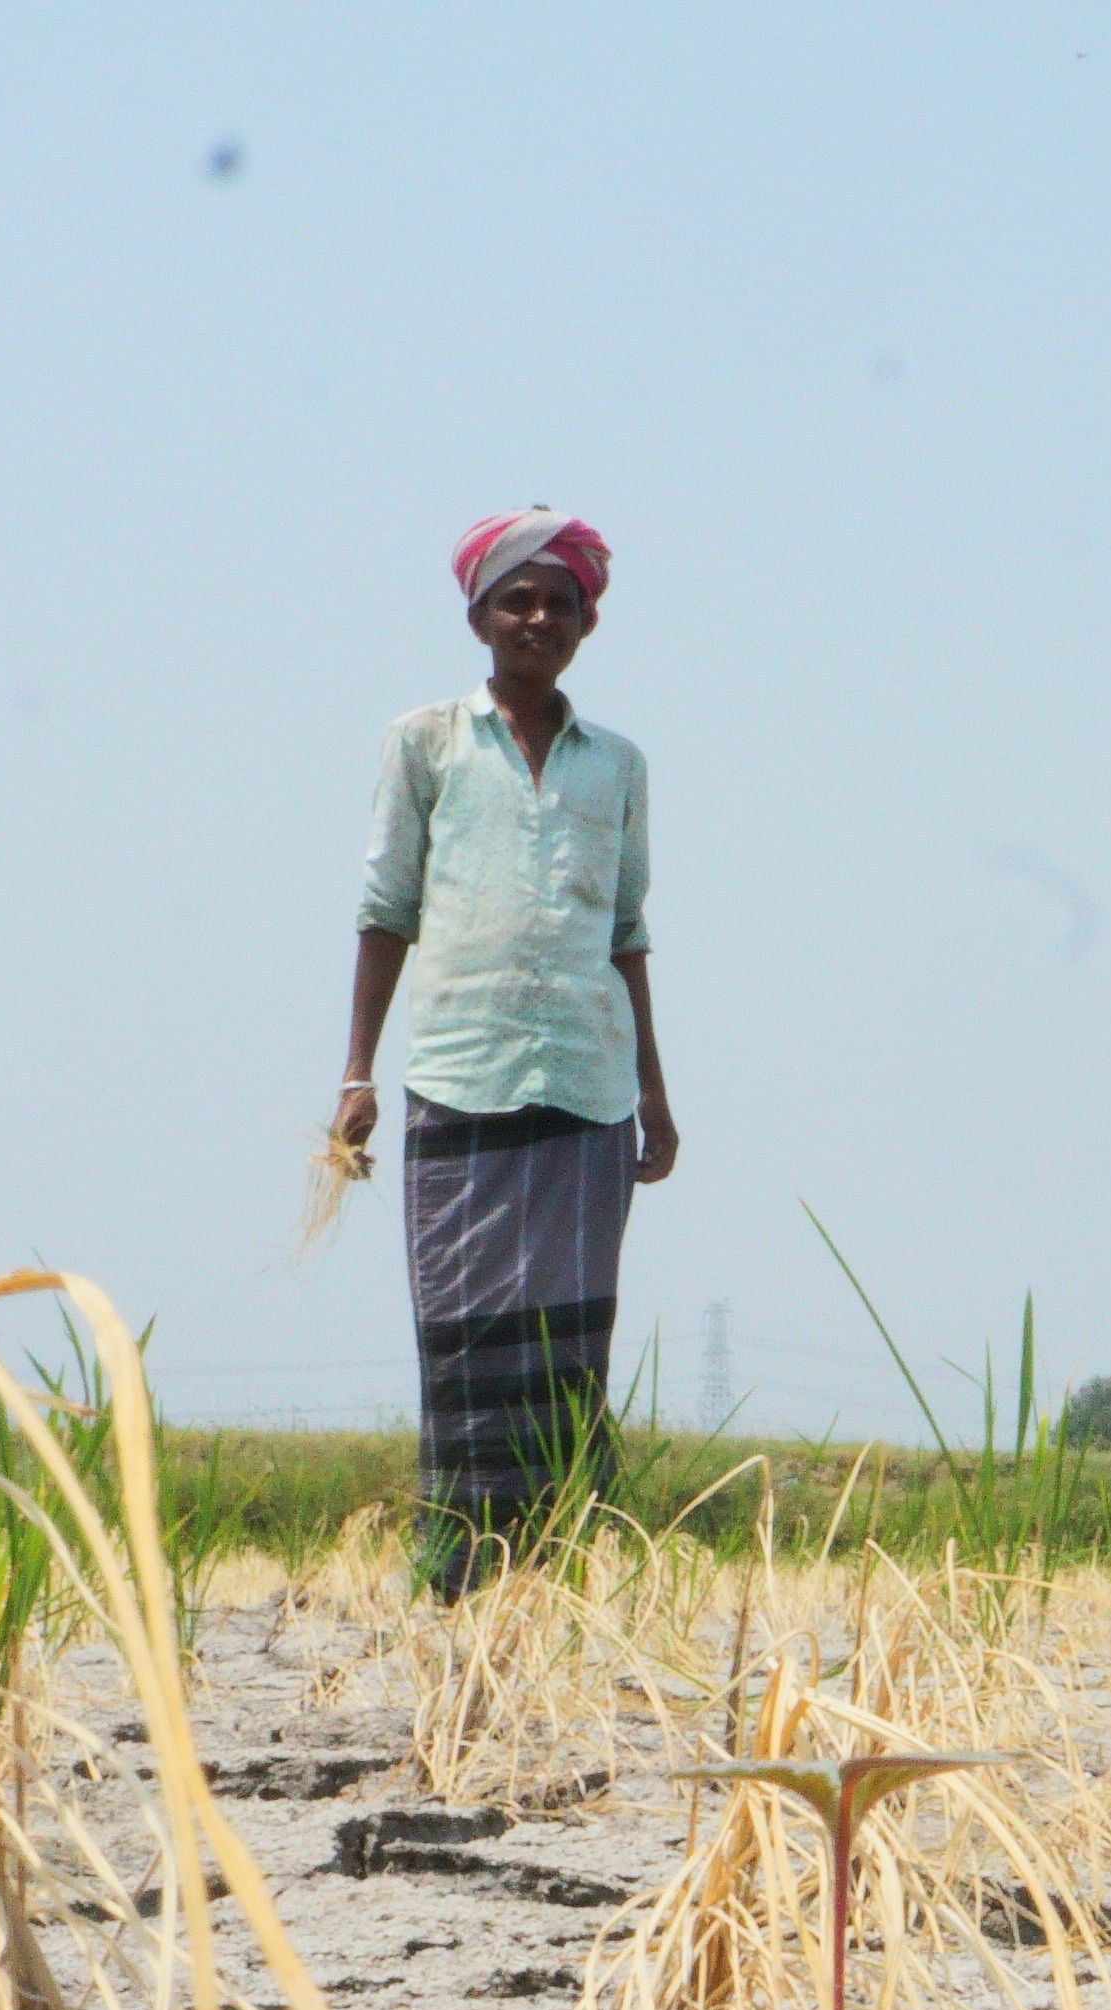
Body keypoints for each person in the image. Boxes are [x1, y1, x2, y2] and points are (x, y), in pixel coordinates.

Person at [333, 507, 678, 1594]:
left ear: (587, 622)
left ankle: (556, 1577)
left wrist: (655, 1096)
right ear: (479, 614)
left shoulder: (617, 766)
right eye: (517, 599)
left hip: (586, 1085)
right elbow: (386, 906)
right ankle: (457, 1575)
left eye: (560, 602)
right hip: (457, 1073)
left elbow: (626, 932)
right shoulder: (426, 742)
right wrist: (356, 1074)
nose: (538, 618)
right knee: (465, 1337)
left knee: (567, 1349)